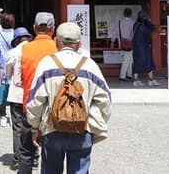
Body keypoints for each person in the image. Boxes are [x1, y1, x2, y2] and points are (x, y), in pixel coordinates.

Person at [26, 22, 111, 174]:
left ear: (56, 42)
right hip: (82, 128)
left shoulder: (46, 64)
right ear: (79, 44)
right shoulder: (90, 65)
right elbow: (105, 100)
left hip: (52, 128)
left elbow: (35, 102)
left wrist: (35, 127)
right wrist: (94, 122)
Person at [17, 12, 57, 174]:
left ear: (34, 28)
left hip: (30, 105)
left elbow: (18, 80)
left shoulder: (25, 49)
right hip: (54, 106)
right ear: (52, 29)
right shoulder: (58, 48)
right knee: (52, 152)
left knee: (26, 151)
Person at [5, 26, 33, 169]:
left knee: (18, 127)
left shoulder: (13, 52)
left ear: (16, 40)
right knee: (34, 125)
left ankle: (18, 157)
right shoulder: (34, 51)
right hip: (32, 94)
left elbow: (8, 74)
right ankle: (34, 156)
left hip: (16, 94)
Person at [0, 12, 15, 126]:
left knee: (2, 91)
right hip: (16, 66)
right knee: (16, 90)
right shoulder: (17, 34)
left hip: (3, 67)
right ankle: (16, 115)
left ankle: (3, 116)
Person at [131, 10, 158, 86]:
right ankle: (150, 80)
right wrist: (149, 23)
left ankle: (136, 80)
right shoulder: (142, 26)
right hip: (143, 47)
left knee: (137, 62)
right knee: (148, 62)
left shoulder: (136, 24)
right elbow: (151, 29)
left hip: (136, 46)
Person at [117, 8, 135, 82]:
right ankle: (122, 76)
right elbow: (132, 33)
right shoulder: (132, 22)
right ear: (131, 14)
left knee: (129, 59)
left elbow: (118, 33)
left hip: (122, 42)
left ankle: (129, 74)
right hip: (129, 43)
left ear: (124, 14)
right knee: (127, 60)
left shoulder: (120, 22)